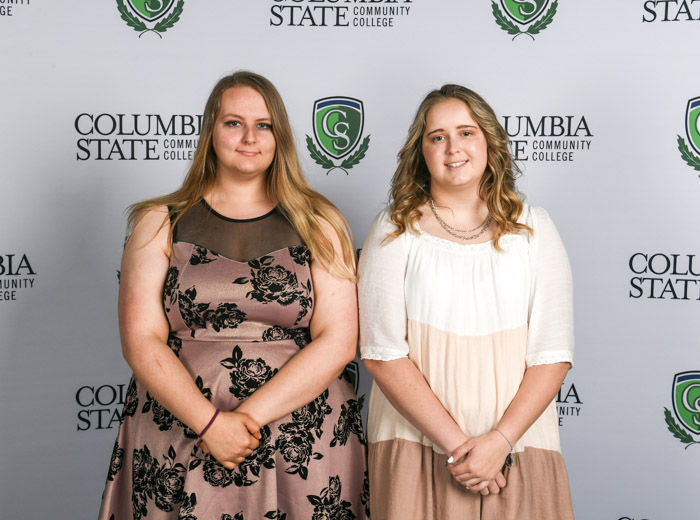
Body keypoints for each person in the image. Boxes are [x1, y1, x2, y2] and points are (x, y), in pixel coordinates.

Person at [99, 71, 369, 520]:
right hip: (181, 432)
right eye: (233, 123)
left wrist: (244, 423)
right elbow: (140, 339)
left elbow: (338, 339)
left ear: (279, 136)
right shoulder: (159, 220)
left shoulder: (321, 222)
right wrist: (209, 424)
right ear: (210, 131)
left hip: (300, 436)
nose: (250, 137)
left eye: (263, 125)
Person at [358, 84, 574, 519]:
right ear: (421, 152)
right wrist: (462, 451)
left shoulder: (534, 229)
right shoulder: (393, 229)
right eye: (437, 137)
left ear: (490, 143)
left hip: (518, 448)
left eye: (466, 132)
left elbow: (552, 353)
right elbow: (382, 353)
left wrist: (499, 444)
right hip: (416, 444)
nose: (452, 147)